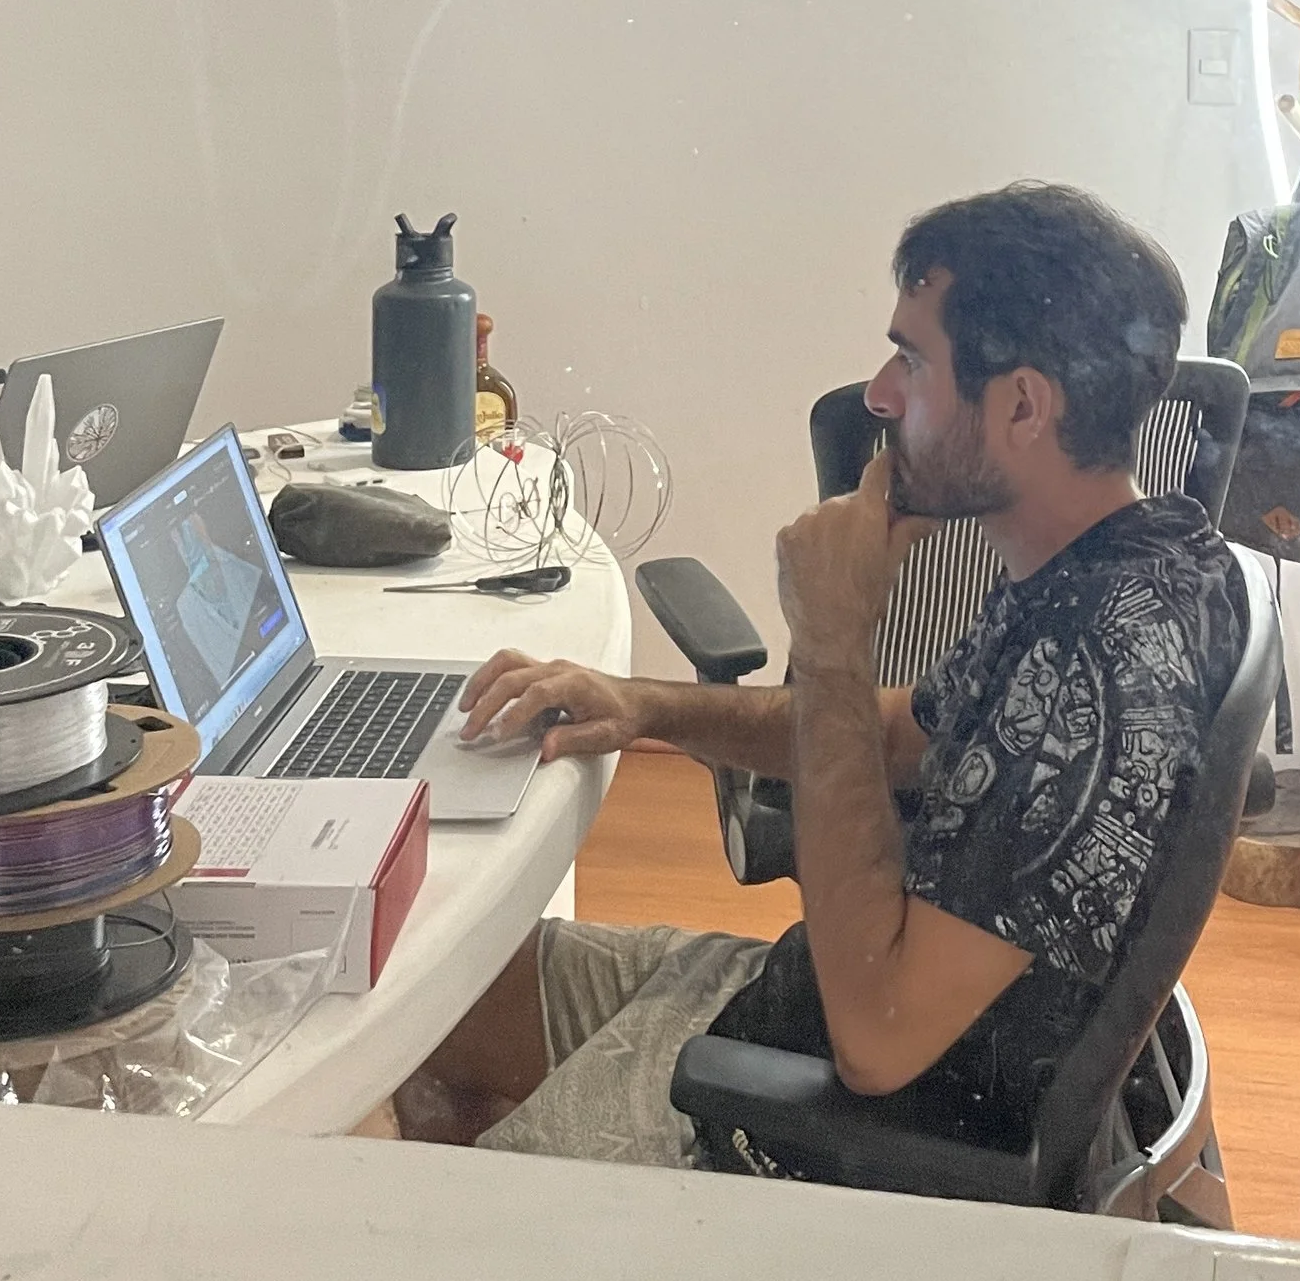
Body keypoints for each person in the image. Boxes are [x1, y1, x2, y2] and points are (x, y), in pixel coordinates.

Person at [391, 182, 1249, 1171]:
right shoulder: (1138, 558)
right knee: (428, 1010)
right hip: (781, 1008)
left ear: (1022, 404)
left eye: (912, 361)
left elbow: (877, 1043)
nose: (879, 395)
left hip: (829, 1118)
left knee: (432, 1220)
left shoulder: (1091, 668)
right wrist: (641, 707)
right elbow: (894, 735)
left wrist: (833, 639)